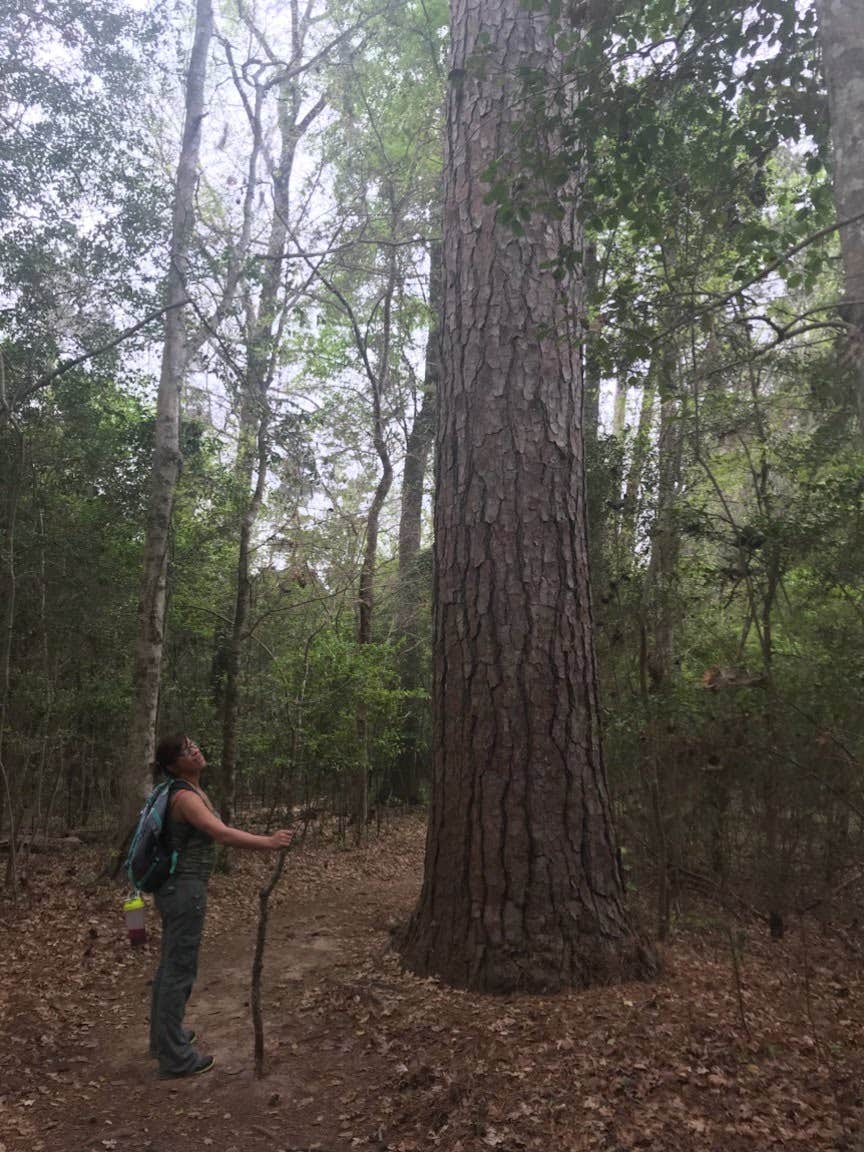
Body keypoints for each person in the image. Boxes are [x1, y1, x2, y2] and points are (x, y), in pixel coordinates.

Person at [148, 734, 295, 1079]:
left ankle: (164, 1039)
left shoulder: (190, 790)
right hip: (183, 890)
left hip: (180, 889)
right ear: (172, 765)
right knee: (179, 969)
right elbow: (222, 834)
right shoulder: (184, 798)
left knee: (171, 965)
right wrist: (269, 843)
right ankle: (174, 1057)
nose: (195, 750)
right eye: (185, 750)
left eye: (195, 744)